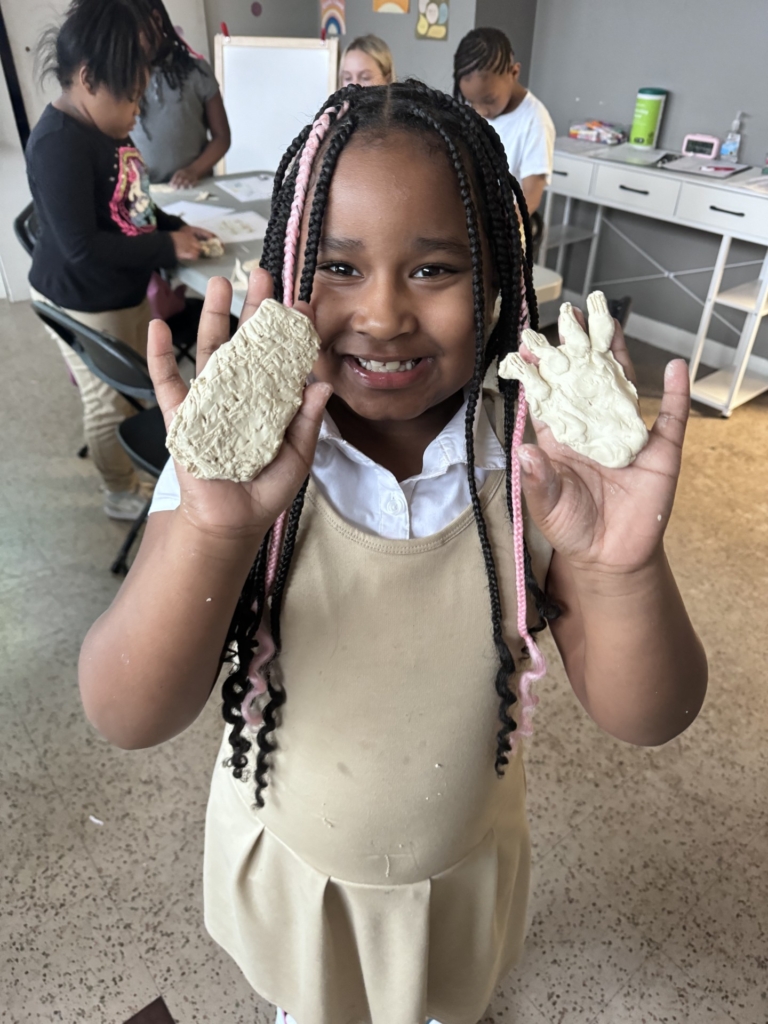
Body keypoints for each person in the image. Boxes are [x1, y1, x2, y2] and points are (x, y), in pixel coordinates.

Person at [78, 82, 707, 1024]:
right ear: (290, 268)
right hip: (299, 871)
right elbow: (125, 711)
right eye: (337, 264)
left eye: (433, 269)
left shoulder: (537, 459)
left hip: (454, 878)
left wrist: (622, 566)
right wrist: (213, 531)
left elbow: (650, 714)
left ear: (495, 275)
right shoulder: (236, 459)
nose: (380, 315)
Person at [28, 0, 214, 519]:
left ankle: (139, 445)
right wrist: (163, 248)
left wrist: (174, 228)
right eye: (132, 97)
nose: (138, 110)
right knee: (107, 400)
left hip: (121, 290)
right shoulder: (58, 145)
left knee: (138, 379)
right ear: (87, 79)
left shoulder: (107, 128)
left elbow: (134, 201)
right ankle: (119, 491)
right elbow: (80, 247)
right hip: (81, 298)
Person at [453, 27, 555, 220]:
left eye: (489, 100)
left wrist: (504, 231)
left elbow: (531, 195)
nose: (480, 111)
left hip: (506, 228)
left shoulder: (535, 121)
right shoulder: (471, 111)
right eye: (471, 102)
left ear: (514, 72)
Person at [130, 0, 231, 187]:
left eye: (133, 32)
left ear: (157, 19)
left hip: (195, 187)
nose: (128, 42)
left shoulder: (197, 72)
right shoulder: (123, 80)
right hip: (143, 194)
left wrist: (193, 170)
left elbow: (222, 137)